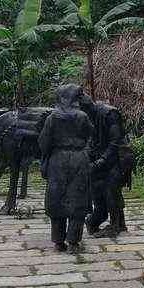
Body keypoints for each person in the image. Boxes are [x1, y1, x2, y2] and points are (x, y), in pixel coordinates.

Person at [38, 84, 94, 253]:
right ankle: (74, 242)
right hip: (78, 159)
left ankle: (58, 241)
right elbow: (90, 135)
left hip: (58, 160)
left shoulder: (52, 118)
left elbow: (44, 142)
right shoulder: (82, 117)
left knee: (57, 199)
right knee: (79, 198)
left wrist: (46, 157)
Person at [82, 92, 130, 238]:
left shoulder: (109, 114)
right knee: (101, 191)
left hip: (117, 158)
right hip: (102, 157)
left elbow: (115, 142)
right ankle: (118, 223)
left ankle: (115, 225)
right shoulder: (90, 117)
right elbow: (91, 139)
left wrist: (101, 161)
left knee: (111, 190)